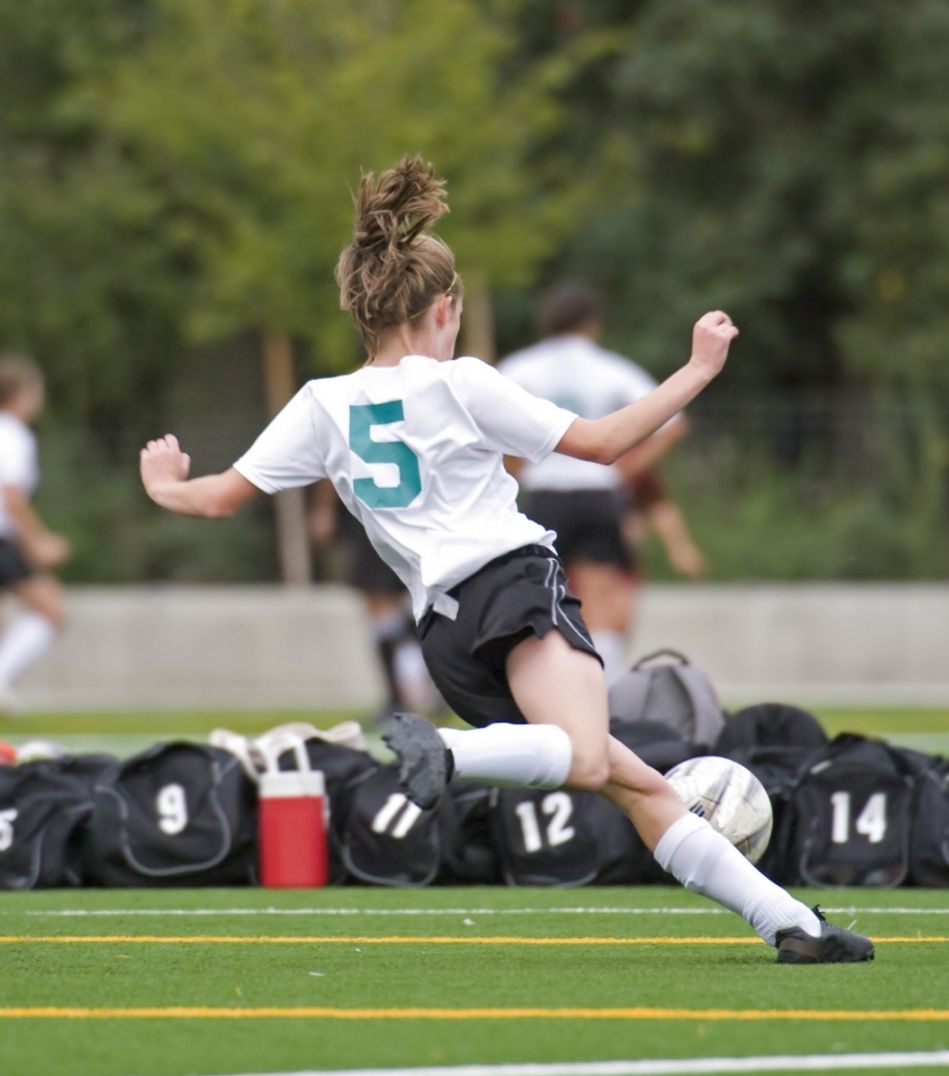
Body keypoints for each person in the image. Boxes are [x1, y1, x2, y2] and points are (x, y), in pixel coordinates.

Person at [138, 156, 873, 964]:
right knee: (588, 755)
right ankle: (448, 752)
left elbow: (212, 498)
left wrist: (166, 483)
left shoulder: (322, 404)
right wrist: (697, 369)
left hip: (446, 634)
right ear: (443, 308)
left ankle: (792, 925)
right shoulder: (460, 383)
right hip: (513, 587)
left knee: (636, 784)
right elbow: (601, 444)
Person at [498, 283, 688, 681]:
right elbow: (673, 424)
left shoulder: (522, 367)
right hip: (597, 495)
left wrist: (519, 467)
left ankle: (546, 684)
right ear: (592, 323)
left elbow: (484, 423)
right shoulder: (610, 368)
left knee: (540, 596)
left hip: (545, 495)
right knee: (602, 598)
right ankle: (606, 690)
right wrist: (624, 469)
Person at [308, 479, 439, 718]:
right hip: (409, 512)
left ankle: (408, 693)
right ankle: (422, 687)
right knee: (391, 609)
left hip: (377, 511)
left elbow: (331, 458)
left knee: (382, 608)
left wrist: (323, 509)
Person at [0, 356, 68, 714]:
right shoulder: (13, 435)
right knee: (50, 610)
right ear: (22, 393)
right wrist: (37, 541)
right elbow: (11, 497)